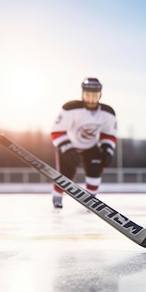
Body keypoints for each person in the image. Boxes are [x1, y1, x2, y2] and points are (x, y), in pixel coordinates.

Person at [50, 77, 117, 209]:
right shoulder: (70, 108)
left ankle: (91, 201)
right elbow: (56, 131)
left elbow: (109, 134)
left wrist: (107, 150)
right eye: (87, 95)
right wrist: (66, 148)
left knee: (96, 169)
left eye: (94, 96)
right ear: (82, 94)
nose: (91, 99)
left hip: (90, 147)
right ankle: (57, 197)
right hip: (69, 145)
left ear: (100, 95)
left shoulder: (108, 113)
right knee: (66, 174)